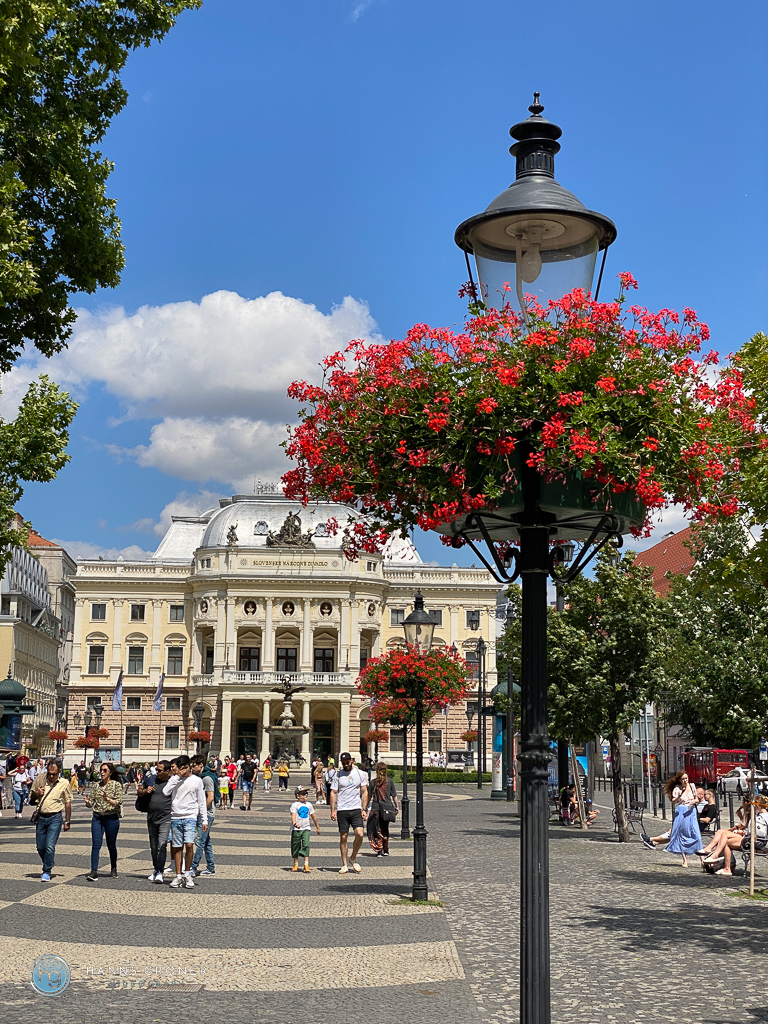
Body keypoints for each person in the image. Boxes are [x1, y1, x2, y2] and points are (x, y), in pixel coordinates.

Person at [163, 754, 207, 888]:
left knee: (189, 844)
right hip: (176, 816)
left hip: (190, 816)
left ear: (190, 767)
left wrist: (204, 819)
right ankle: (178, 875)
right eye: (181, 768)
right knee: (177, 847)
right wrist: (176, 777)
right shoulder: (174, 780)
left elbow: (202, 801)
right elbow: (165, 791)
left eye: (186, 767)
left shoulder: (196, 780)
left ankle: (187, 873)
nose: (184, 770)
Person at [29, 758, 71, 881]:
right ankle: (50, 861)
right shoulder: (41, 780)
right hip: (41, 817)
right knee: (40, 847)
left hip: (55, 817)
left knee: (49, 846)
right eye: (49, 773)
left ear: (59, 772)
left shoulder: (64, 783)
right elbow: (31, 800)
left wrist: (67, 821)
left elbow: (67, 802)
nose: (51, 776)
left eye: (54, 774)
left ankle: (46, 870)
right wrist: (37, 793)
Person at [84, 762, 124, 881]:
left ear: (110, 773)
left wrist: (108, 799)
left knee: (111, 845)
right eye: (101, 770)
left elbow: (118, 802)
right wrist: (87, 802)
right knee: (96, 844)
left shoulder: (116, 785)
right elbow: (91, 803)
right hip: (97, 817)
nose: (102, 772)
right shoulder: (96, 786)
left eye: (105, 770)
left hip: (111, 818)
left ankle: (113, 867)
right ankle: (94, 871)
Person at [330, 752, 368, 873]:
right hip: (342, 809)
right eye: (344, 763)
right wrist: (332, 810)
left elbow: (364, 792)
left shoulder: (360, 774)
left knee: (360, 834)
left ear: (352, 761)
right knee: (343, 837)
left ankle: (353, 857)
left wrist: (364, 809)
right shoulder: (338, 775)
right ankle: (345, 864)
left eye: (348, 762)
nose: (346, 764)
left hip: (356, 808)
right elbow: (333, 792)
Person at [137, 759, 173, 883]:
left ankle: (159, 871)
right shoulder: (151, 779)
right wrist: (144, 791)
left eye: (160, 770)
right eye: (156, 769)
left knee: (162, 845)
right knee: (153, 845)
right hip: (151, 817)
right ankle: (156, 868)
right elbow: (139, 791)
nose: (157, 772)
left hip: (166, 818)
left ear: (167, 772)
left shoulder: (172, 782)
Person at [663, 770, 701, 867]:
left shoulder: (692, 786)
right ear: (680, 780)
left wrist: (694, 801)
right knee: (682, 834)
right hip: (681, 811)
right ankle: (684, 860)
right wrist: (679, 794)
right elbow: (673, 801)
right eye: (683, 779)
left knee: (697, 835)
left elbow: (697, 798)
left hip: (691, 812)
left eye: (686, 778)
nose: (685, 780)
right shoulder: (677, 788)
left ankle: (702, 859)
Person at [190, 754, 216, 877]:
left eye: (194, 765)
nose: (192, 768)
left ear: (201, 765)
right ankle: (211, 867)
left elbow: (210, 797)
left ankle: (193, 867)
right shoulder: (201, 777)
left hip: (207, 814)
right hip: (204, 813)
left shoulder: (206, 779)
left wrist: (202, 813)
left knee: (200, 841)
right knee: (206, 841)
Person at [366, 761, 398, 857]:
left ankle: (379, 849)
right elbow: (394, 796)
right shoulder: (390, 781)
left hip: (376, 808)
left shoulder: (373, 782)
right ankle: (386, 849)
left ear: (377, 770)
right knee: (385, 828)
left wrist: (364, 807)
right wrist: (397, 807)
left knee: (375, 829)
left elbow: (369, 796)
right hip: (387, 808)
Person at [290, 785, 320, 872]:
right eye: (303, 794)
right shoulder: (295, 805)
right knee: (295, 845)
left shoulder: (309, 805)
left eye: (306, 793)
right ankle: (296, 864)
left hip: (306, 828)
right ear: (297, 796)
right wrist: (294, 823)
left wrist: (317, 826)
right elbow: (293, 815)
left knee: (306, 844)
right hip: (296, 829)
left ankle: (306, 864)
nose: (306, 795)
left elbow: (313, 816)